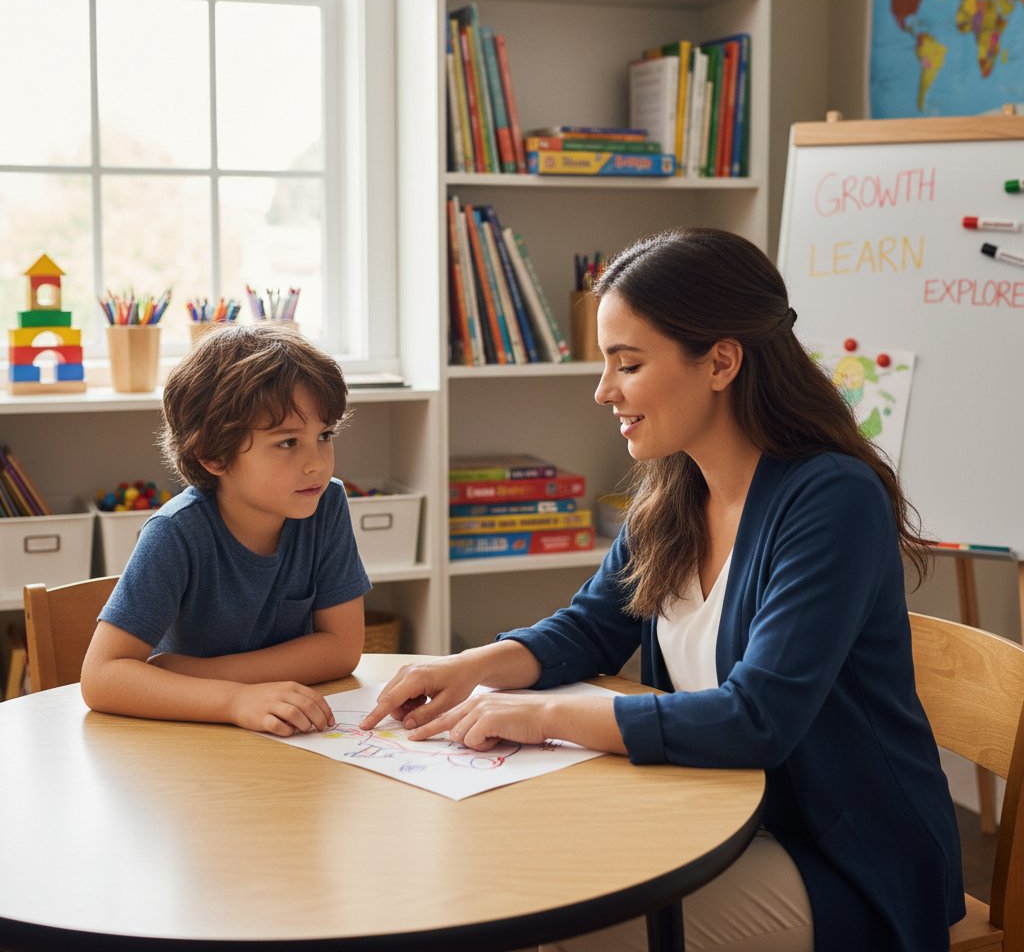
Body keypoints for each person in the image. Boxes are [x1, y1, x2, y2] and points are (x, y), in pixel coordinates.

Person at [361, 228, 965, 951]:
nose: (603, 390)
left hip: (844, 860)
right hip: (712, 816)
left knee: (546, 933)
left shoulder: (831, 500)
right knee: (488, 882)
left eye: (628, 364)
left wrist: (542, 715)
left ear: (721, 362)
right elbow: (590, 628)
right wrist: (464, 671)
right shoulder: (679, 485)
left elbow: (758, 719)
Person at [81, 324, 370, 737]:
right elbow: (102, 676)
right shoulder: (175, 533)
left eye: (325, 435)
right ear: (213, 456)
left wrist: (207, 674)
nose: (318, 464)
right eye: (288, 442)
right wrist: (234, 699)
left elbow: (342, 648)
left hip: (283, 731)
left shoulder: (325, 504)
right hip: (192, 740)